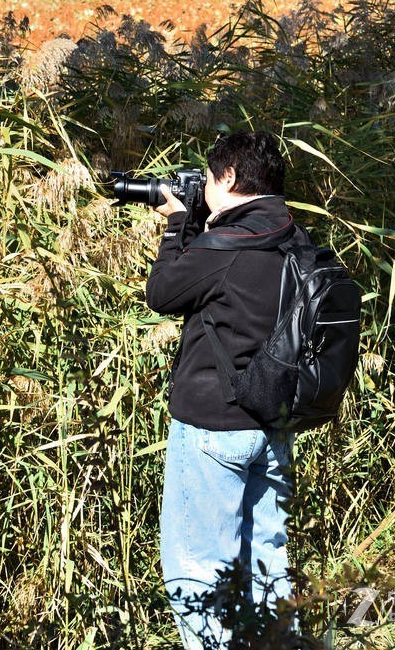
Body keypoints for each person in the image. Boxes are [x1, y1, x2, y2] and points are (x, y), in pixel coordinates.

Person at [145, 131, 301, 648]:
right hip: (273, 429)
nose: (205, 188)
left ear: (229, 177)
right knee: (267, 570)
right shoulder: (293, 238)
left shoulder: (229, 245)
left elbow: (163, 293)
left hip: (213, 431)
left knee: (200, 575)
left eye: (210, 178)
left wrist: (174, 224)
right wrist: (198, 222)